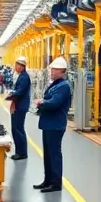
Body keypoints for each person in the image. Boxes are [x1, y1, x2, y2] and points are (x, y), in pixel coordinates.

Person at [34, 57, 72, 194]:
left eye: (55, 69)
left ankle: (55, 183)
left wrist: (42, 103)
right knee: (48, 154)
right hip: (49, 124)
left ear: (62, 71)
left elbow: (54, 103)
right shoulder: (55, 84)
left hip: (55, 125)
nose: (51, 71)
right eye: (51, 69)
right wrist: (43, 102)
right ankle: (48, 180)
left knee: (54, 154)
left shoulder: (63, 86)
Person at [5, 56, 30, 161]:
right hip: (19, 105)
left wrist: (12, 93)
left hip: (20, 106)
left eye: (17, 65)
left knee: (18, 129)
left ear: (22, 66)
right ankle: (19, 152)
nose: (15, 67)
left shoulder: (24, 77)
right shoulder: (21, 76)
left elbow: (20, 91)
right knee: (17, 129)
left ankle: (22, 153)